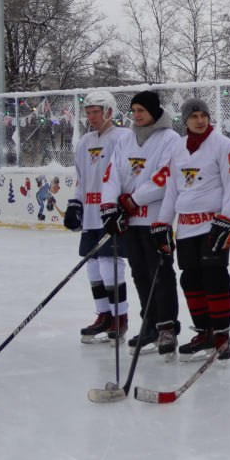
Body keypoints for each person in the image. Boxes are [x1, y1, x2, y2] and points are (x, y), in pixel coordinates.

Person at [151, 97, 230, 362]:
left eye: (203, 115)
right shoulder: (177, 149)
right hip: (186, 228)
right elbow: (172, 190)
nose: (200, 120)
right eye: (194, 116)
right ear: (185, 121)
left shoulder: (224, 145)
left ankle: (221, 335)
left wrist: (226, 220)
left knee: (215, 278)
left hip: (212, 225)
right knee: (190, 280)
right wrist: (162, 223)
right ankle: (204, 332)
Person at [100, 90, 182, 356]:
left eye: (141, 111)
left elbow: (165, 177)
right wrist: (110, 206)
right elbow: (112, 173)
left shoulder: (170, 139)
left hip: (156, 217)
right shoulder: (125, 139)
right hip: (130, 220)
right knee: (139, 272)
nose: (136, 115)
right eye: (134, 110)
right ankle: (149, 324)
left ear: (153, 112)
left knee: (160, 272)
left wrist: (134, 199)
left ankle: (166, 327)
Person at [65, 91, 133, 344]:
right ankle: (104, 315)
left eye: (95, 112)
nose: (91, 117)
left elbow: (127, 174)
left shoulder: (122, 137)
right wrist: (76, 203)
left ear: (109, 111)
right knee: (92, 264)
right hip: (90, 214)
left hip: (110, 213)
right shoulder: (85, 142)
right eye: (88, 112)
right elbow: (82, 178)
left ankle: (120, 318)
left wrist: (122, 204)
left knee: (109, 263)